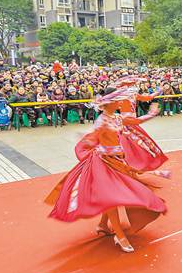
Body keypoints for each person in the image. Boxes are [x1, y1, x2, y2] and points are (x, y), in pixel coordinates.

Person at [45, 86, 168, 253]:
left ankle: (103, 225)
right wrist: (87, 138)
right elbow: (92, 140)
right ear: (108, 103)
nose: (120, 103)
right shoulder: (101, 121)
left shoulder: (117, 118)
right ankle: (120, 235)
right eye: (116, 100)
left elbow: (135, 122)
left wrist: (152, 113)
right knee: (111, 197)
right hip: (104, 162)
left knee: (114, 196)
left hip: (118, 162)